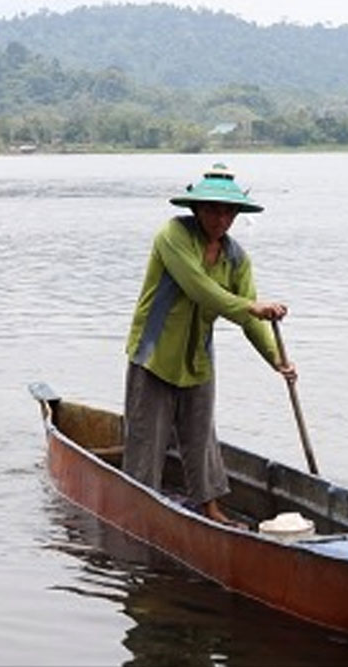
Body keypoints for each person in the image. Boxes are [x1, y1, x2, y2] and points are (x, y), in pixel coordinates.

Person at [122, 163, 296, 527]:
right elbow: (199, 287)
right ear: (197, 210)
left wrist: (277, 360)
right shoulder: (174, 236)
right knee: (146, 441)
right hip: (154, 356)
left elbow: (250, 319)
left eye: (228, 211)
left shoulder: (236, 259)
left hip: (197, 359)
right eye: (213, 209)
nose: (220, 218)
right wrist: (251, 305)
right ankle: (141, 512)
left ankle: (210, 509)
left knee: (201, 439)